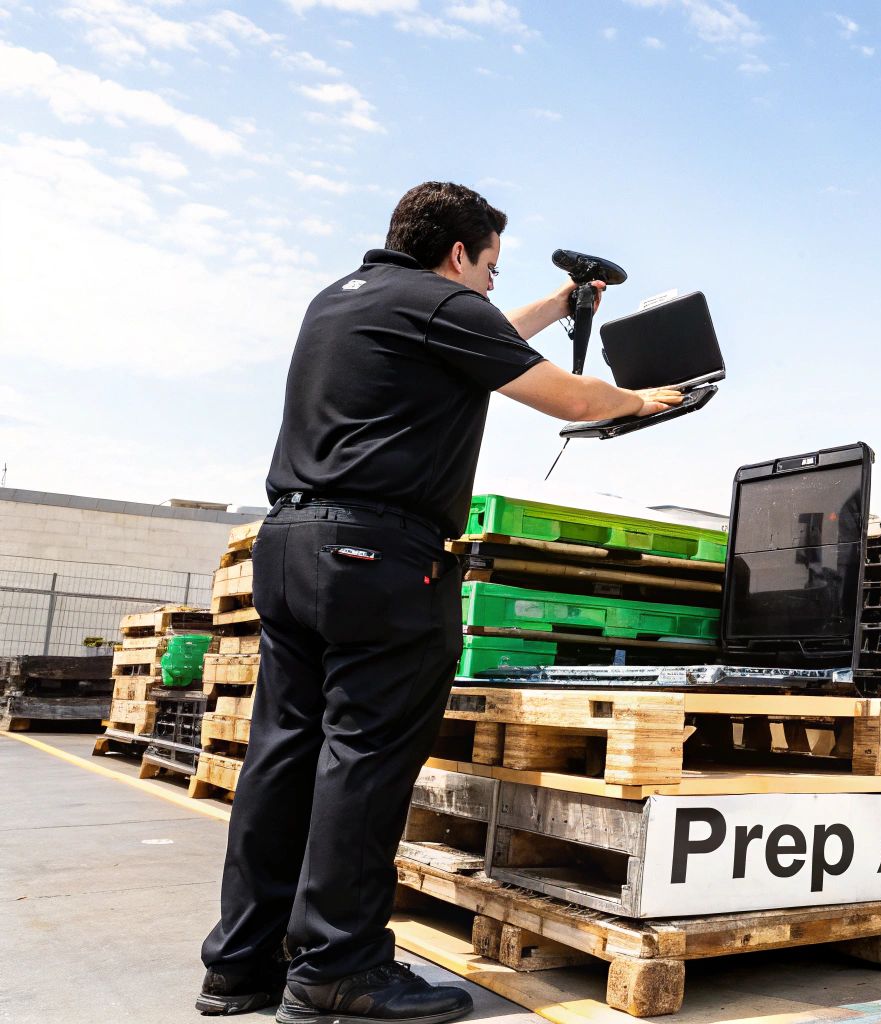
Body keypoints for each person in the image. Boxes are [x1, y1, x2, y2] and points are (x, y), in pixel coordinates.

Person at [196, 181, 680, 1023]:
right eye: (491, 266)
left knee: (282, 758)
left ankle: (241, 965)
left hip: (291, 546)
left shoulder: (347, 298)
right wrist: (642, 400)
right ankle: (337, 969)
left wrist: (565, 299)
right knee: (365, 759)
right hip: (377, 560)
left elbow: (482, 334)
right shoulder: (437, 305)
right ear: (457, 253)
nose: (493, 285)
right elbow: (568, 396)